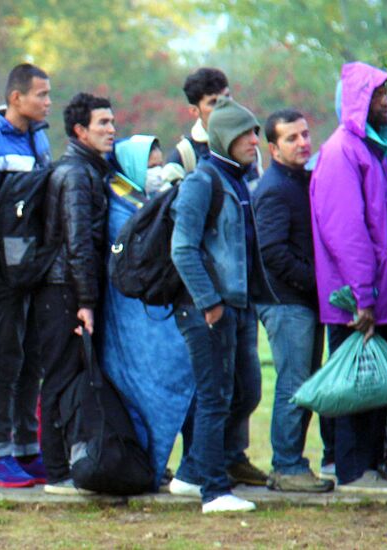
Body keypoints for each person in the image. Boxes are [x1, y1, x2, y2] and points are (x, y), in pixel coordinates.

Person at [311, 62, 387, 494]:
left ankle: (368, 465)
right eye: (377, 95)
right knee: (357, 387)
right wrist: (363, 298)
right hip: (356, 296)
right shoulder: (342, 153)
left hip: (377, 292)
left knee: (374, 387)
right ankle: (355, 470)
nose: (386, 103)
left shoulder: (370, 150)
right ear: (357, 100)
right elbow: (347, 232)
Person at [170, 97, 272, 513]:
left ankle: (192, 474)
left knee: (243, 393)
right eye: (247, 134)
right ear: (226, 137)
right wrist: (210, 303)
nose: (255, 141)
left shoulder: (240, 179)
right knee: (215, 398)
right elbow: (183, 248)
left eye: (256, 133)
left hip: (238, 307)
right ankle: (213, 491)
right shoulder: (203, 181)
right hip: (207, 310)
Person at [100, 135, 194, 489]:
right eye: (149, 165)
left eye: (159, 164)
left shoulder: (150, 204)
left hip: (156, 321)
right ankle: (142, 466)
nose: (156, 172)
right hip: (128, 322)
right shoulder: (117, 205)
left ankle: (154, 466)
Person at [251, 109, 334, 493]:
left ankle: (293, 462)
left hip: (303, 300)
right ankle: (286, 465)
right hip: (285, 302)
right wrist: (317, 283)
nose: (303, 143)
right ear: (272, 148)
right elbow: (273, 252)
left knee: (304, 381)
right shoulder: (273, 188)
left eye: (305, 134)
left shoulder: (301, 180)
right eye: (291, 138)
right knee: (293, 384)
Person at [36, 92, 114, 496]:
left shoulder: (89, 170)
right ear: (80, 130)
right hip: (62, 292)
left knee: (68, 378)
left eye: (112, 122)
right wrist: (86, 302)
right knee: (60, 380)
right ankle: (56, 473)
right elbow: (78, 242)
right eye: (102, 123)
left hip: (67, 290)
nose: (111, 130)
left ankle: (66, 464)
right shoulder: (76, 175)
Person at [0, 63, 53, 488]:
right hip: (7, 271)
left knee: (33, 358)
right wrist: (0, 264)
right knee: (7, 357)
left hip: (38, 266)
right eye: (41, 95)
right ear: (16, 98)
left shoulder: (39, 137)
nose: (47, 102)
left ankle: (28, 449)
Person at [163, 68, 230, 183]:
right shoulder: (183, 156)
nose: (224, 106)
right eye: (213, 102)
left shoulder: (248, 144)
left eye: (227, 97)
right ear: (194, 110)